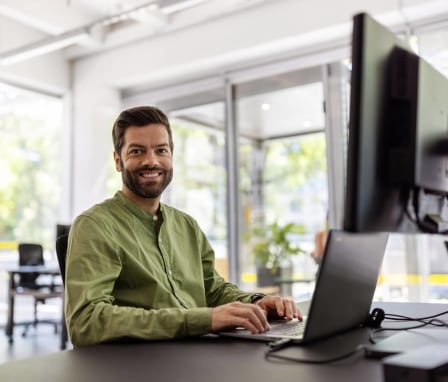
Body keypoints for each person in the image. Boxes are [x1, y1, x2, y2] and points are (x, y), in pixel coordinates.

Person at [65, 105, 301, 346]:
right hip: (137, 365)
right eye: (137, 151)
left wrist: (255, 302)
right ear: (118, 161)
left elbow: (213, 290)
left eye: (161, 150)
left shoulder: (186, 225)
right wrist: (202, 319)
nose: (151, 161)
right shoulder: (95, 226)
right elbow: (86, 321)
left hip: (198, 353)